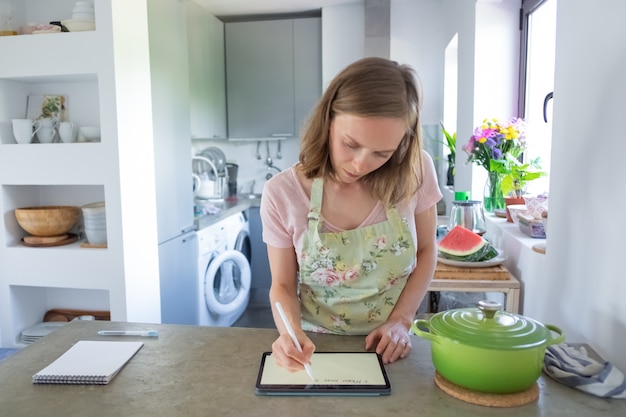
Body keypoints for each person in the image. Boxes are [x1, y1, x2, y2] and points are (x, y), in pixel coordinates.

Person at [260, 57, 442, 374]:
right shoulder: (282, 193)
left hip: (393, 346)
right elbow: (283, 286)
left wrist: (401, 320)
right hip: (316, 349)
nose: (360, 165)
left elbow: (427, 251)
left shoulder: (416, 170)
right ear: (328, 120)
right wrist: (289, 334)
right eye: (350, 144)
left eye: (381, 154)